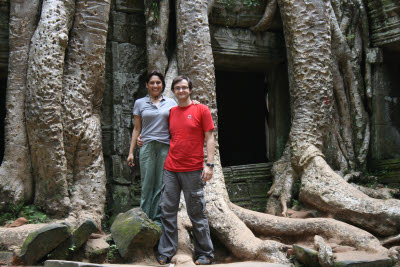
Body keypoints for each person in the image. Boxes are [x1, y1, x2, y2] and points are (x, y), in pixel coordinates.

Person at [157, 75, 215, 265]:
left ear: (190, 90)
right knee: (167, 210)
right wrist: (141, 139)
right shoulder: (171, 112)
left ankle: (205, 253)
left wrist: (210, 164)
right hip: (171, 169)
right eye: (177, 88)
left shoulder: (201, 110)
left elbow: (210, 139)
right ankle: (166, 251)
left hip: (193, 169)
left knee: (196, 212)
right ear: (173, 91)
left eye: (184, 88)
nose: (181, 91)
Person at [127, 70, 177, 225]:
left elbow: (178, 122)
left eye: (158, 83)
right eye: (152, 83)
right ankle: (144, 218)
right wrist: (131, 152)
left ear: (162, 85)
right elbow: (137, 128)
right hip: (147, 146)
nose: (155, 85)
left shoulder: (171, 103)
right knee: (147, 183)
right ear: (147, 85)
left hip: (165, 146)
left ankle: (158, 220)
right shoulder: (140, 103)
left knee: (162, 183)